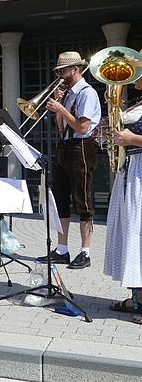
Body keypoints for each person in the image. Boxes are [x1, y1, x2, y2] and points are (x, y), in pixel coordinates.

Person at [37, 51, 101, 269]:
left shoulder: (86, 93)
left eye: (63, 71)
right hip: (65, 146)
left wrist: (61, 108)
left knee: (82, 199)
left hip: (81, 147)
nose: (60, 75)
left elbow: (82, 127)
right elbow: (62, 126)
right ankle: (62, 249)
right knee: (60, 198)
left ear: (75, 69)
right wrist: (58, 108)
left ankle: (86, 251)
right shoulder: (69, 93)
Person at [104, 71, 142, 324]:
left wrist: (132, 138)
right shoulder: (136, 103)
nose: (135, 74)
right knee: (131, 232)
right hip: (131, 170)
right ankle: (138, 297)